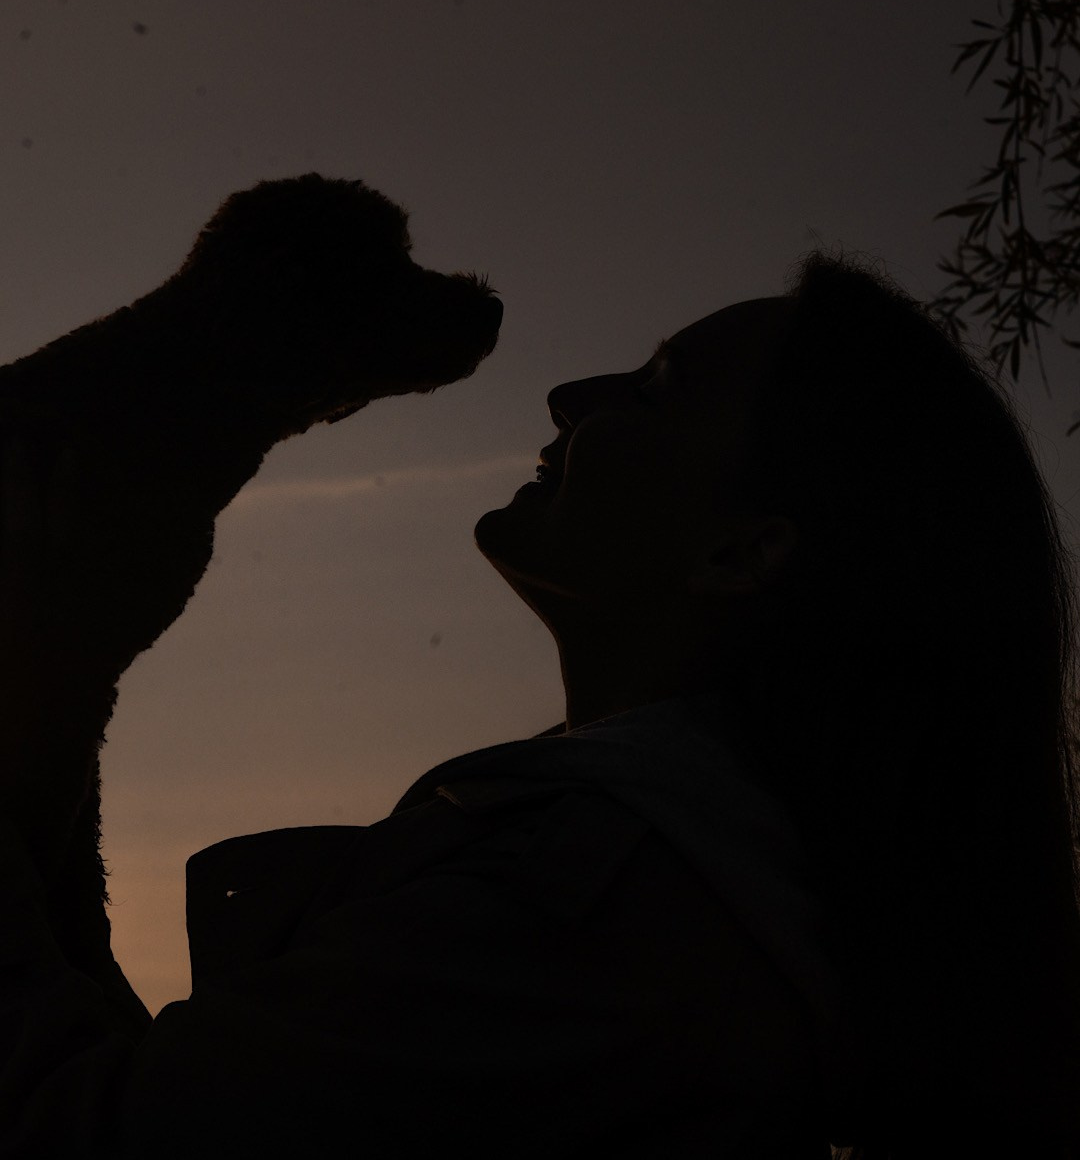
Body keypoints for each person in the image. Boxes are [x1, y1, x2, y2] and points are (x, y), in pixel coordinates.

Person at [2, 253, 1078, 1157]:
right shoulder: (655, 891)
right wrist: (54, 681)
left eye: (654, 389)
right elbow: (127, 1092)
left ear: (744, 550)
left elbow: (81, 1137)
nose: (570, 397)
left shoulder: (583, 912)